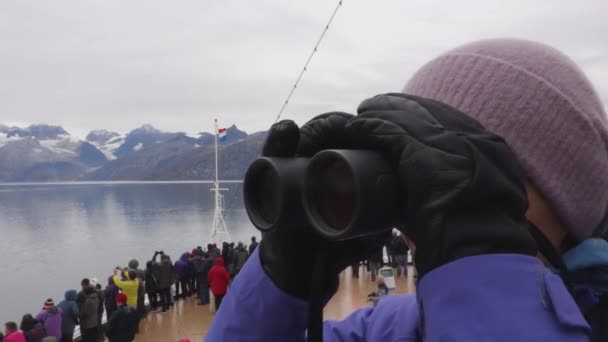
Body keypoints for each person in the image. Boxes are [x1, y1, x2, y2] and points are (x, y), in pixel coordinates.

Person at [207, 38, 608, 341]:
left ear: (566, 202)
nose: (427, 203)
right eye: (416, 173)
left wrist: (483, 266)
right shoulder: (391, 328)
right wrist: (280, 286)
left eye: (469, 174)